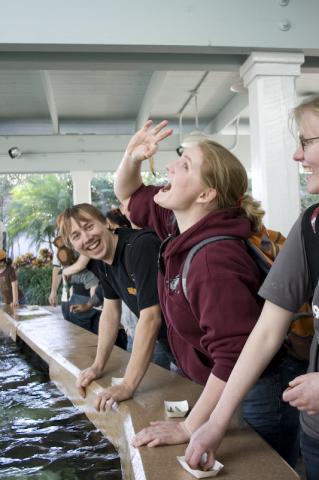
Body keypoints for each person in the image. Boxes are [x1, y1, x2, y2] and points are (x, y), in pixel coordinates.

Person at [114, 120, 305, 467]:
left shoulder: (214, 260)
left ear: (205, 194)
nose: (170, 166)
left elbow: (233, 355)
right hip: (223, 385)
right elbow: (127, 195)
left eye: (184, 165)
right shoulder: (178, 224)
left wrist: (190, 426)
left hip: (258, 391)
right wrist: (132, 155)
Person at [184, 96, 319, 480]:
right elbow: (264, 331)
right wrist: (214, 422)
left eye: (306, 141)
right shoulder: (310, 226)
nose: (297, 155)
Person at [58, 203, 173, 410]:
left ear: (104, 223)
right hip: (177, 350)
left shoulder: (140, 246)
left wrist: (128, 384)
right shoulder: (102, 262)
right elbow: (110, 312)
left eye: (89, 227)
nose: (86, 238)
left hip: (210, 350)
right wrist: (97, 366)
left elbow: (151, 317)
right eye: (76, 236)